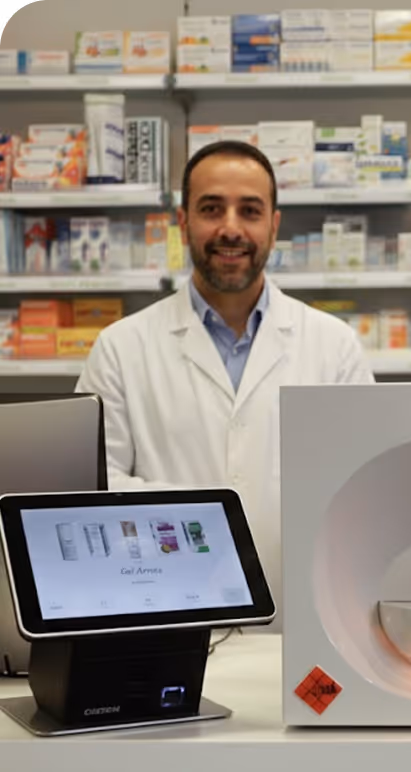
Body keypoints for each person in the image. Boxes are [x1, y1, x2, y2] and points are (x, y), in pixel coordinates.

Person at [76, 141, 375, 630]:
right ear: (183, 221)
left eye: (250, 211)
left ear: (274, 226)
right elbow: (87, 489)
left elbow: (367, 489)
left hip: (303, 629)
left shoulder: (334, 347)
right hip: (164, 624)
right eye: (212, 208)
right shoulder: (120, 347)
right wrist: (197, 515)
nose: (231, 228)